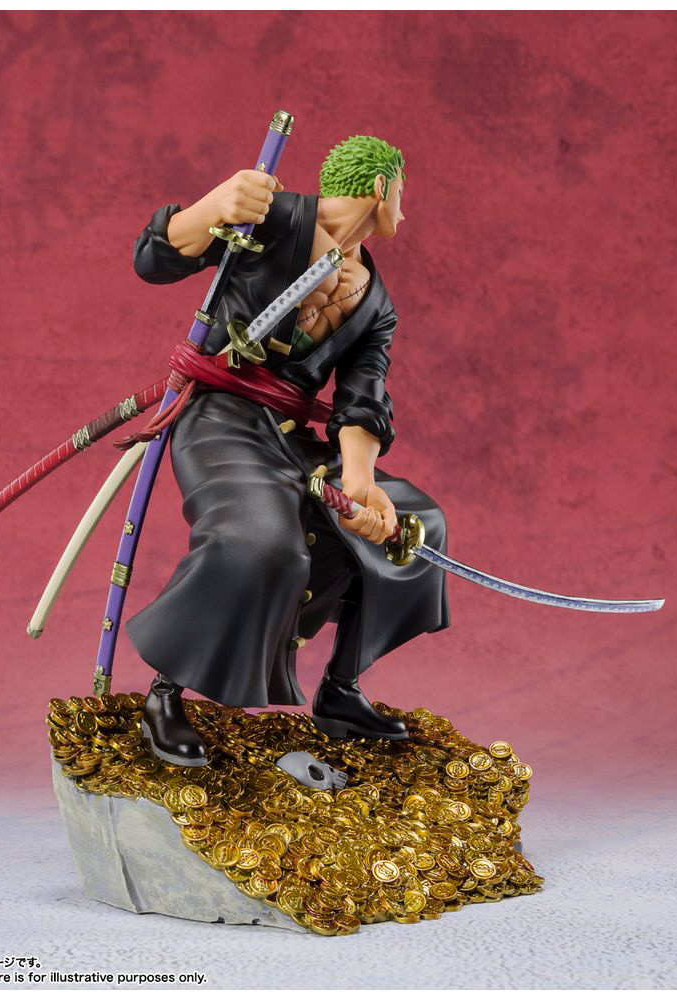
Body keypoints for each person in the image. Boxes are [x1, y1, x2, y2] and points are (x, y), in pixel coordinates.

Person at [127, 136, 449, 766]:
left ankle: (341, 688)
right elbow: (151, 261)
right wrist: (210, 208)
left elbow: (362, 398)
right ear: (381, 188)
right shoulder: (269, 216)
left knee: (417, 525)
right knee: (258, 538)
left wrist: (360, 479)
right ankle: (166, 692)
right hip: (218, 417)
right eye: (401, 192)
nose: (403, 208)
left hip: (291, 435)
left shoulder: (375, 303)